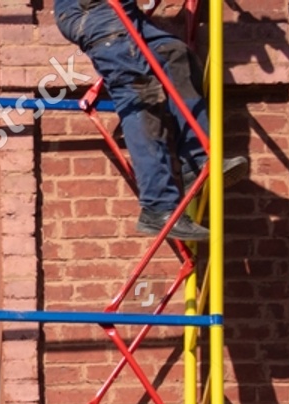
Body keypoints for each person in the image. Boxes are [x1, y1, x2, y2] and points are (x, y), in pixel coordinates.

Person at [53, 0, 247, 241]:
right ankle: (158, 207)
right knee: (138, 93)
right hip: (95, 11)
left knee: (175, 55)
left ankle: (196, 162)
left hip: (122, 11)